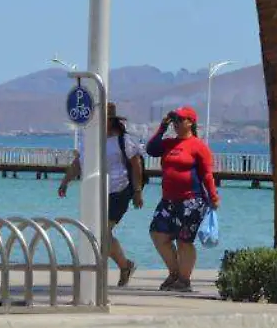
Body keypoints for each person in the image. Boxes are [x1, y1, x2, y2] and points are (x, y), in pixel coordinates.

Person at [58, 102, 144, 287]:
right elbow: (78, 163)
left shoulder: (123, 140)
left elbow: (136, 165)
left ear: (111, 121)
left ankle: (95, 274)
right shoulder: (89, 139)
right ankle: (124, 265)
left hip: (120, 191)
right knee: (98, 232)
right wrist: (65, 182)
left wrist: (137, 191)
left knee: (101, 231)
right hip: (97, 191)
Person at [145, 106, 219, 292]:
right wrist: (163, 127)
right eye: (175, 120)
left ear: (190, 122)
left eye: (180, 120)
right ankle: (174, 273)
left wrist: (213, 196)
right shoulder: (169, 143)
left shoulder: (198, 146)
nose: (177, 124)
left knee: (184, 240)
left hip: (192, 200)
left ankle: (184, 280)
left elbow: (207, 174)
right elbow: (151, 149)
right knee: (157, 233)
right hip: (168, 200)